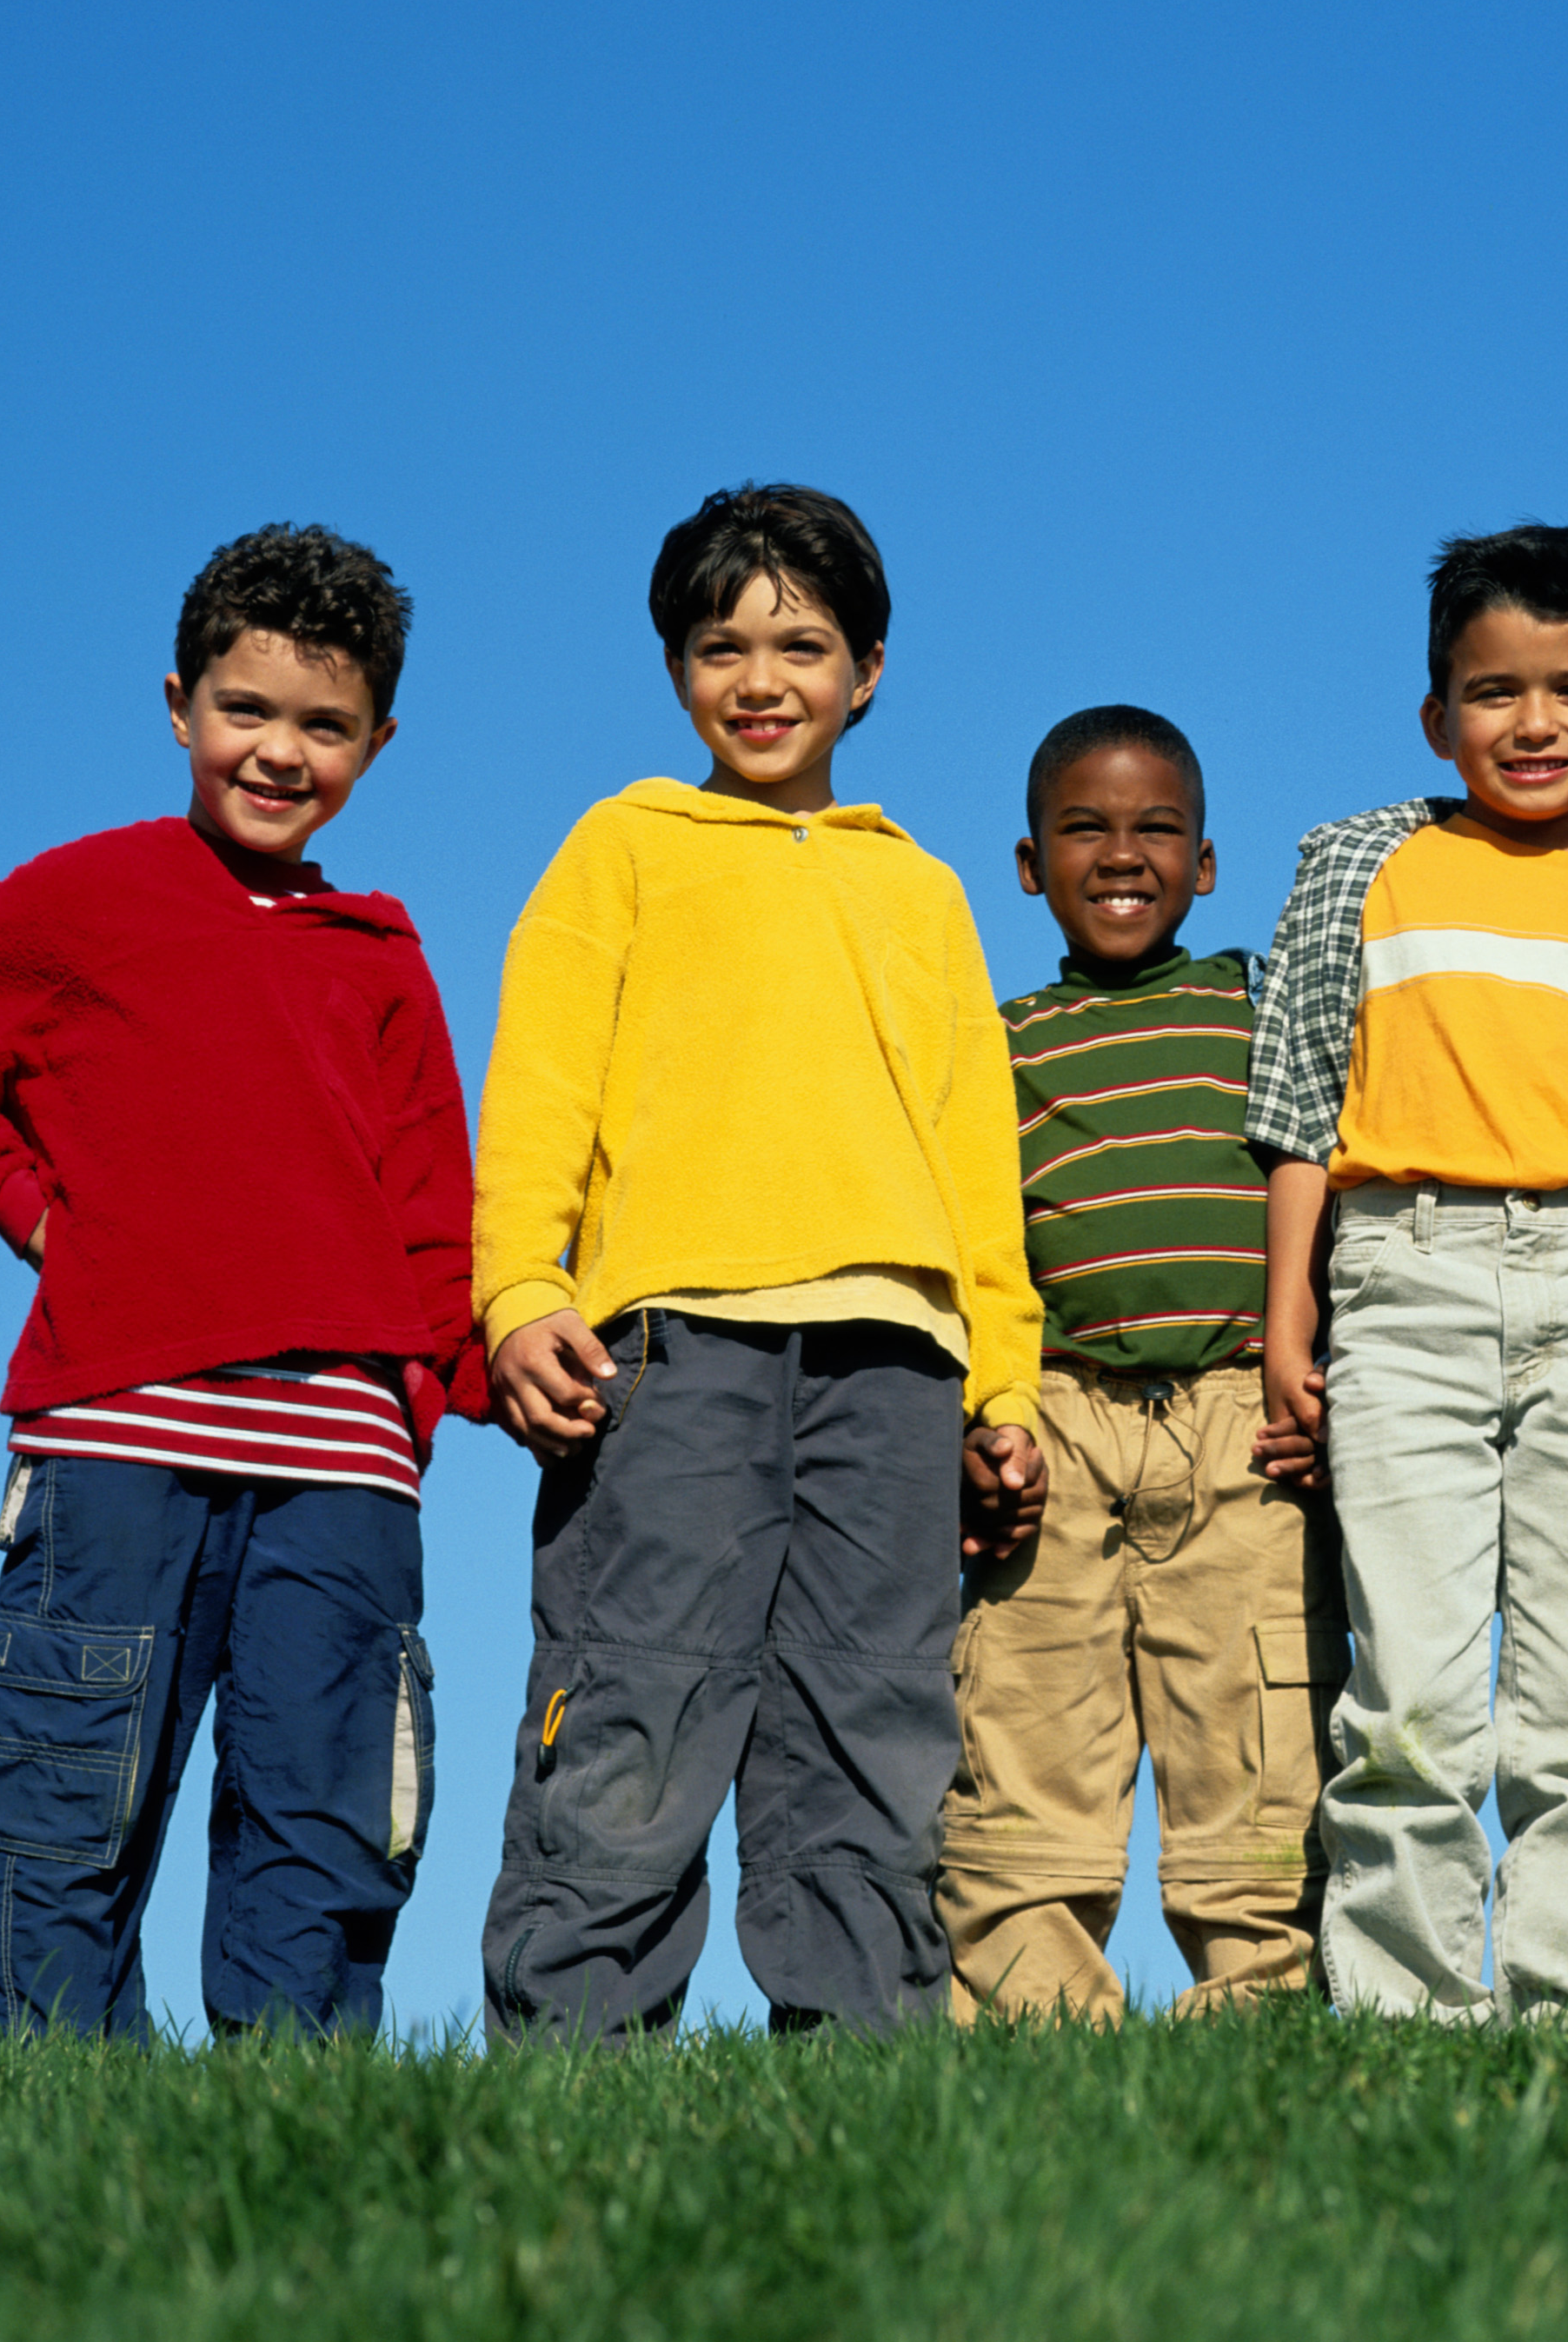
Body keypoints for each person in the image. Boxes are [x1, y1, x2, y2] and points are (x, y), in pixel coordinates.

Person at [0, 522, 474, 2038]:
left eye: (324, 726)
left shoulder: (380, 955)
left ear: (378, 741)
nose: (278, 752)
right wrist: (22, 1203)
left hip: (344, 1472)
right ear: (179, 703)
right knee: (68, 1797)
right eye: (246, 711)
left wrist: (461, 1376)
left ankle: (291, 2142)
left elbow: (437, 1214)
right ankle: (67, 2120)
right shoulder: (87, 901)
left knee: (325, 1821)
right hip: (121, 1434)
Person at [470, 483, 1040, 2040]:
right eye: (722, 645)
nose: (761, 677)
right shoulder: (623, 845)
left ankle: (859, 2084)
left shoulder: (918, 888)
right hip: (676, 1345)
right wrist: (520, 1288)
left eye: (802, 643)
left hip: (898, 1361)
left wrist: (1005, 1377)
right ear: (676, 673)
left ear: (867, 670)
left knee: (871, 1715)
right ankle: (571, 2071)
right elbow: (540, 1091)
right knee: (637, 1691)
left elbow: (973, 1157)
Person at [1245, 522, 1568, 2017]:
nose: (1534, 724)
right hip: (1403, 1277)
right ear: (1435, 715)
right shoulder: (1357, 860)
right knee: (1407, 1686)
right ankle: (1400, 2018)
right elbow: (1295, 1105)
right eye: (1493, 692)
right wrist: (1290, 1322)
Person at [940, 705, 1339, 2019]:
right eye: (1085, 829)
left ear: (1207, 860)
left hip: (1240, 1416)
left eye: (1156, 829)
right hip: (1055, 1419)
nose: (1123, 855)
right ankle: (1043, 2036)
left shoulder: (1257, 1003)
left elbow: (1328, 1184)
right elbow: (970, 1247)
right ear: (1027, 862)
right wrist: (978, 1416)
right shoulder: (996, 1042)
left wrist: (1327, 1376)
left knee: (1261, 1743)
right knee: (1023, 1734)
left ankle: (1258, 2020)